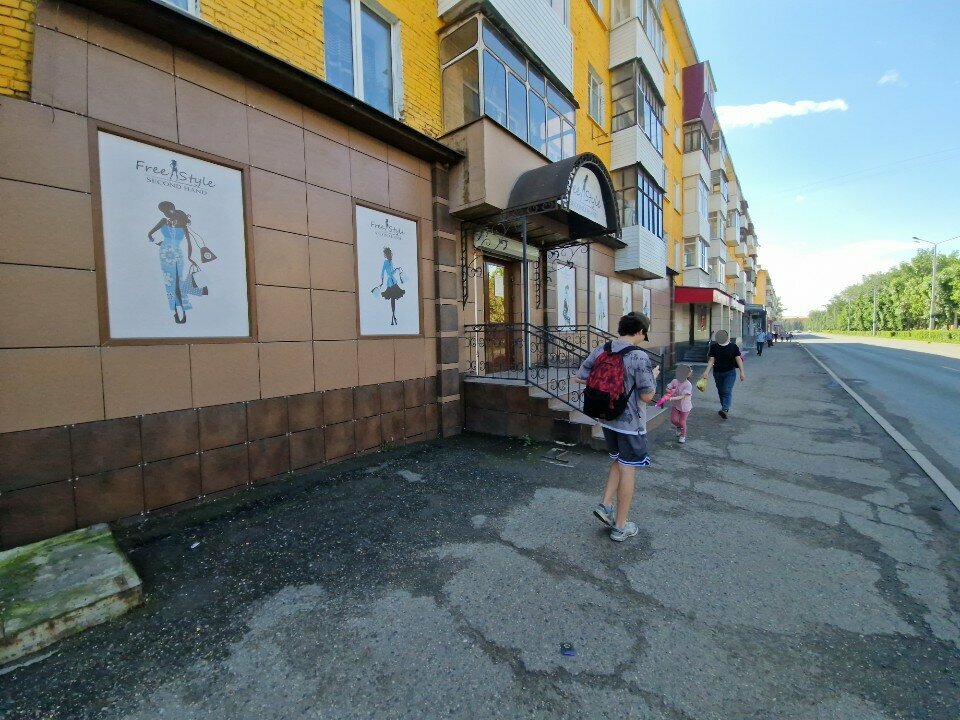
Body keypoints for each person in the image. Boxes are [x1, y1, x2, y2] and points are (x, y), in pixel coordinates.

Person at [575, 312, 659, 542]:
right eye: (644, 334)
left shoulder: (602, 349)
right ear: (640, 331)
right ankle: (621, 527)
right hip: (630, 423)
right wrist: (652, 376)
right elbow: (647, 396)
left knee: (619, 461)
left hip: (607, 418)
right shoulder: (639, 356)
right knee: (628, 469)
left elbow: (581, 376)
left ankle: (605, 505)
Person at [147, 201, 199, 325]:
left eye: (167, 210)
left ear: (173, 209)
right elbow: (150, 234)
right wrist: (157, 242)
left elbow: (189, 243)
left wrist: (190, 258)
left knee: (178, 280)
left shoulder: (183, 225)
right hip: (165, 253)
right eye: (163, 211)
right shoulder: (163, 221)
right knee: (170, 281)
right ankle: (176, 310)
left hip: (176, 253)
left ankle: (182, 311)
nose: (166, 213)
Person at [699, 329, 745, 419]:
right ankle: (724, 406)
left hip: (730, 372)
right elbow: (711, 360)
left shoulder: (733, 346)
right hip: (717, 373)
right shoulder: (714, 347)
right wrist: (706, 372)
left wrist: (742, 372)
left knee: (726, 389)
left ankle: (725, 409)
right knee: (721, 390)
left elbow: (738, 359)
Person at [374, 246, 405, 326]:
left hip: (393, 282)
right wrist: (381, 282)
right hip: (390, 282)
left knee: (393, 298)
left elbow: (391, 273)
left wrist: (396, 269)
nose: (390, 255)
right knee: (392, 298)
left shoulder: (391, 262)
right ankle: (393, 316)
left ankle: (393, 316)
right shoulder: (386, 262)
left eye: (390, 254)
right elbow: (383, 272)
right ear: (387, 255)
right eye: (389, 254)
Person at [665, 364, 694, 444]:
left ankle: (683, 435)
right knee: (673, 420)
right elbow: (667, 388)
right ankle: (679, 427)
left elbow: (682, 396)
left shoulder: (688, 385)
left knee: (682, 421)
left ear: (688, 374)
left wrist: (671, 398)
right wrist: (670, 391)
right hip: (676, 405)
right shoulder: (675, 381)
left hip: (685, 407)